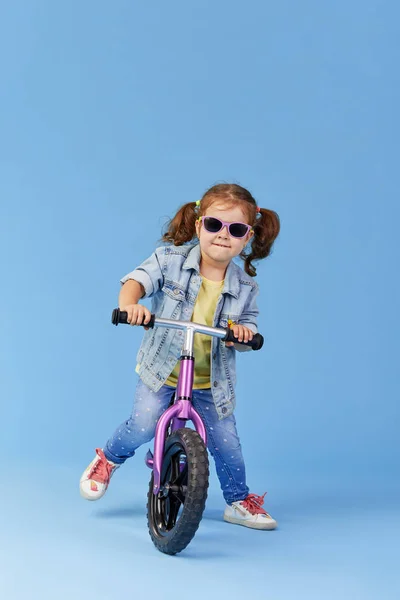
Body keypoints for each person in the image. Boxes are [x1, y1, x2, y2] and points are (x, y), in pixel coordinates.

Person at [80, 183, 280, 530]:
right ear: (200, 224)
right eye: (215, 225)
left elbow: (248, 329)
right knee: (143, 423)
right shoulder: (169, 261)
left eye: (235, 230)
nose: (222, 236)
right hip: (163, 371)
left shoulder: (246, 287)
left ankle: (237, 499)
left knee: (227, 444)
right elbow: (137, 281)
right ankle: (109, 459)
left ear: (247, 237)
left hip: (210, 382)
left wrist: (243, 336)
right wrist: (131, 305)